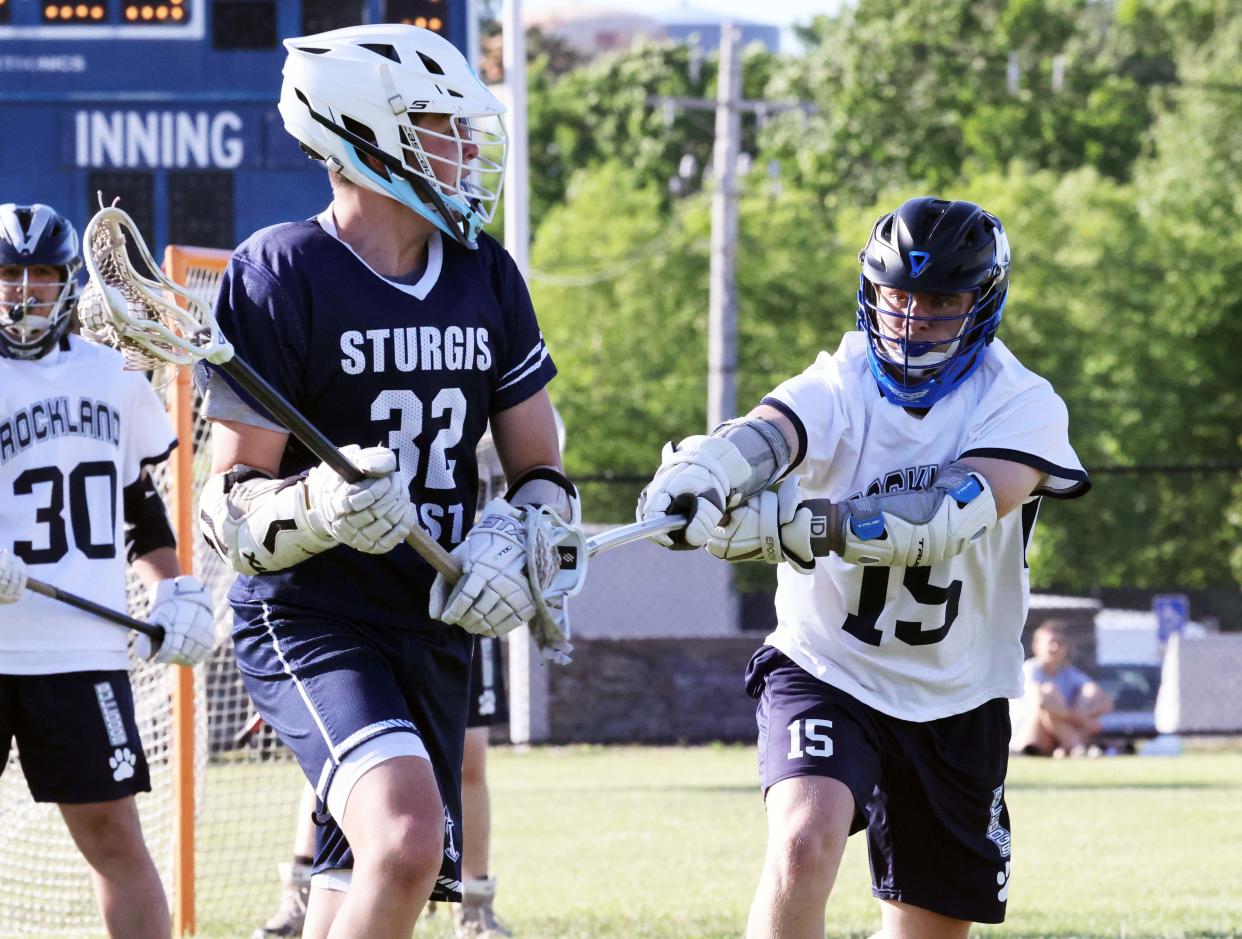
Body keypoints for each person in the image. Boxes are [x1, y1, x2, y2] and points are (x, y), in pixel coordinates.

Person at [197, 24, 574, 939]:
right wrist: (320, 506)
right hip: (314, 616)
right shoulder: (281, 272)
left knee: (357, 889)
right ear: (365, 134)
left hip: (435, 616)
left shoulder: (484, 270)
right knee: (407, 839)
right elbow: (227, 503)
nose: (466, 147)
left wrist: (518, 540)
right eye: (442, 125)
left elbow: (541, 467)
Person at [638, 197, 1090, 938]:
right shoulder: (838, 382)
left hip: (959, 693)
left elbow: (948, 515)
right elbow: (769, 433)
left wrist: (802, 525)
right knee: (802, 838)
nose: (912, 319)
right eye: (898, 295)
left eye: (941, 300)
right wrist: (706, 471)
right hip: (828, 665)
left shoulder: (1021, 402)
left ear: (982, 301)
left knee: (925, 927)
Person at [0, 202, 214, 939]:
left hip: (80, 647)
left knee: (115, 838)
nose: (23, 289)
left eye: (41, 272)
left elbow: (138, 507)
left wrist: (171, 588)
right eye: (8, 273)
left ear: (66, 281)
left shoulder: (113, 373)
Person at [1011, 620, 1113, 757]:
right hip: (1028, 738)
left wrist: (1084, 707)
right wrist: (1083, 721)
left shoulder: (1069, 672)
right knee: (1049, 694)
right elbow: (1040, 701)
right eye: (1050, 642)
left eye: (1060, 643)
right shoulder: (1029, 669)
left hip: (1056, 735)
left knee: (1088, 694)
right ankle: (1077, 746)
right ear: (1036, 646)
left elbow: (1104, 701)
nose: (1055, 647)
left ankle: (1069, 746)